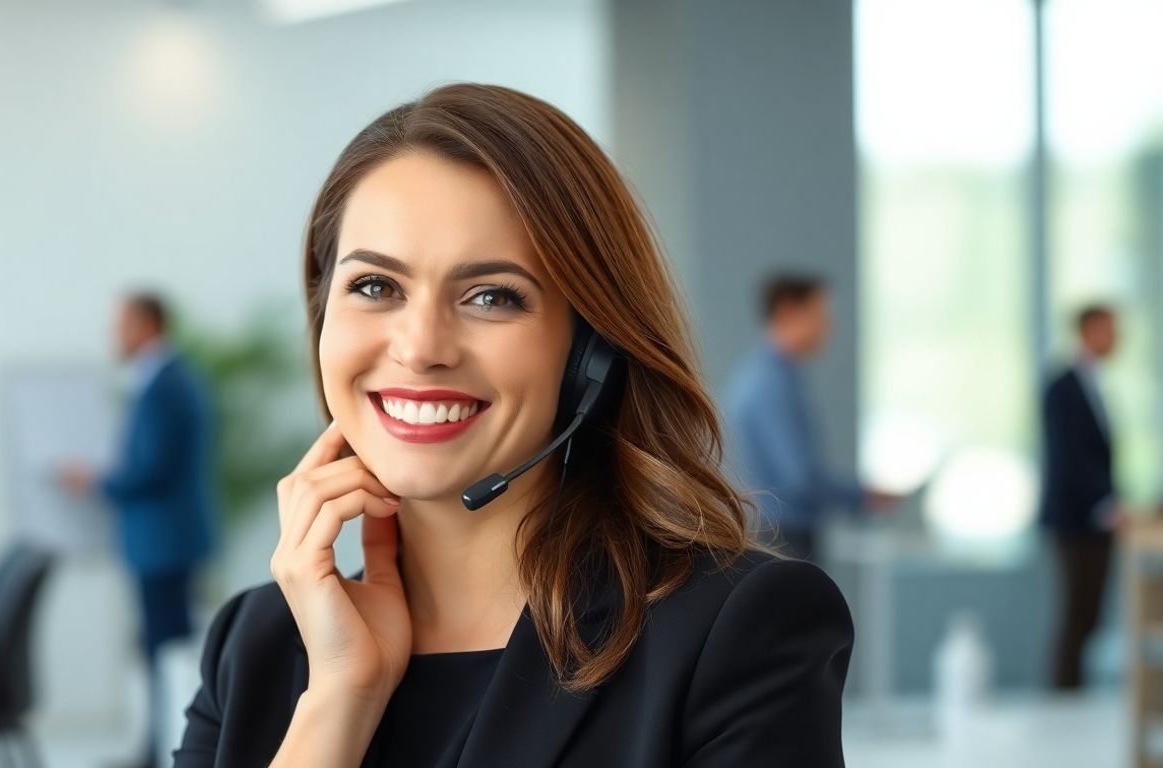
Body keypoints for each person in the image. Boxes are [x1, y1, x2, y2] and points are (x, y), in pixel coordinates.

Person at [174, 84, 852, 767]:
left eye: (492, 296)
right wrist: (340, 700)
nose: (420, 346)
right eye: (376, 287)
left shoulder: (734, 630)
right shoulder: (253, 644)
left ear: (590, 351)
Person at [60, 292, 215, 768]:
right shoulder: (166, 380)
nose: (114, 336)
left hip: (163, 544)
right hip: (161, 542)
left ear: (147, 324)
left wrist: (96, 479)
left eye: (121, 324)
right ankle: (158, 748)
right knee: (161, 654)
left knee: (167, 656)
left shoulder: (166, 385)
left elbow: (151, 469)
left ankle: (168, 753)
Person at [724, 274, 895, 561]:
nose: (828, 327)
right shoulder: (771, 384)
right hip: (783, 537)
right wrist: (861, 496)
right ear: (788, 313)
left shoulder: (766, 376)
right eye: (819, 315)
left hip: (774, 533)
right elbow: (799, 479)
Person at [1041, 303, 1121, 691]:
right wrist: (1103, 504)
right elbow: (1070, 458)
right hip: (1076, 520)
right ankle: (1064, 697)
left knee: (1089, 616)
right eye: (1109, 329)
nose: (1117, 338)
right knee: (1077, 613)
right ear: (1088, 330)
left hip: (1098, 522)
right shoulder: (1063, 387)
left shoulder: (1095, 385)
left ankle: (1072, 694)